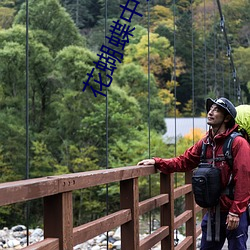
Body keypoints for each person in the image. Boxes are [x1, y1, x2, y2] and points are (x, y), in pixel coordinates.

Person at [137, 97, 250, 250]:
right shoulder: (205, 143)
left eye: (216, 110)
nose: (210, 112)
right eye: (210, 109)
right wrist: (157, 162)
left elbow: (244, 178)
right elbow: (184, 161)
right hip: (213, 211)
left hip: (233, 211)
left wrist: (236, 212)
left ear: (227, 118)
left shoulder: (238, 143)